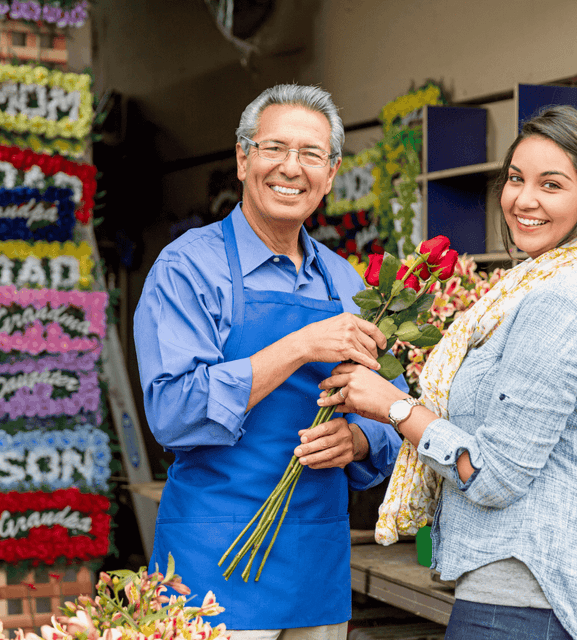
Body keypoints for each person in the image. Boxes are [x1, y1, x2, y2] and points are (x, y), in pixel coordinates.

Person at [133, 84, 407, 640]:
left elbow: (390, 418)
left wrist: (356, 442)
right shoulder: (187, 268)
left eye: (311, 154)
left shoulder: (347, 280)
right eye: (273, 148)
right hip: (210, 564)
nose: (291, 168)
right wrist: (301, 346)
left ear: (330, 175)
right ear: (242, 158)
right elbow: (171, 413)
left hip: (315, 561)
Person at [317, 104, 577, 640]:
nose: (524, 200)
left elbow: (494, 475)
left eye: (551, 185)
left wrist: (391, 407)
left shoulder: (557, 301)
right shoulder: (519, 290)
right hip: (512, 593)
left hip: (522, 600)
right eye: (515, 179)